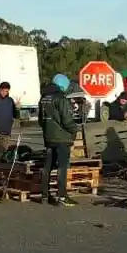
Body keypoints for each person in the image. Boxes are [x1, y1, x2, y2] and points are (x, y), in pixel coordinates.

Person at [39, 74, 79, 206]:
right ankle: (62, 196)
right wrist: (75, 130)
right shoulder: (61, 99)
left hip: (49, 138)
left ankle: (45, 195)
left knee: (48, 166)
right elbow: (67, 120)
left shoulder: (43, 98)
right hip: (62, 138)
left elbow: (40, 120)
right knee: (62, 167)